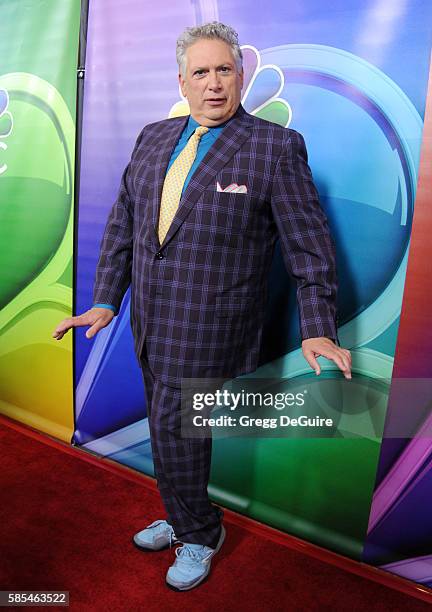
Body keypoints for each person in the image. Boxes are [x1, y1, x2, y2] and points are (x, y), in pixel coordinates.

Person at [53, 22, 352, 591]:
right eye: (201, 73)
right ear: (182, 81)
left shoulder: (275, 147)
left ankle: (199, 533)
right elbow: (124, 227)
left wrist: (317, 326)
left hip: (211, 323)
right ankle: (183, 511)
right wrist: (105, 301)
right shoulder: (152, 137)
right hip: (150, 321)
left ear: (240, 75)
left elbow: (309, 246)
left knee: (176, 428)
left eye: (224, 71)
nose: (214, 85)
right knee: (172, 430)